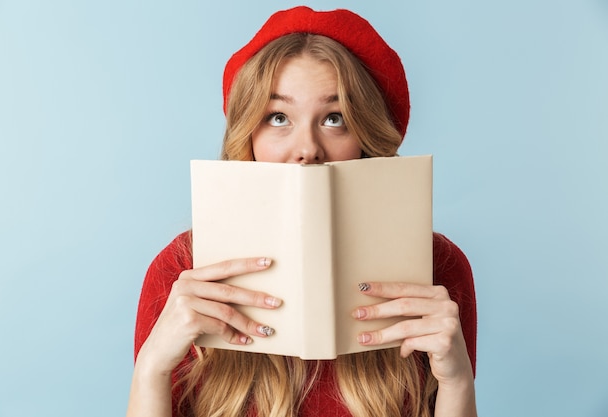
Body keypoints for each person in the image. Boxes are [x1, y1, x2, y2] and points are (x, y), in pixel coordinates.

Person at [126, 6, 477, 417]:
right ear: (248, 136)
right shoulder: (182, 270)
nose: (307, 148)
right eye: (278, 117)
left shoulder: (438, 270)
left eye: (334, 118)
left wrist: (456, 382)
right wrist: (150, 370)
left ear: (366, 136)